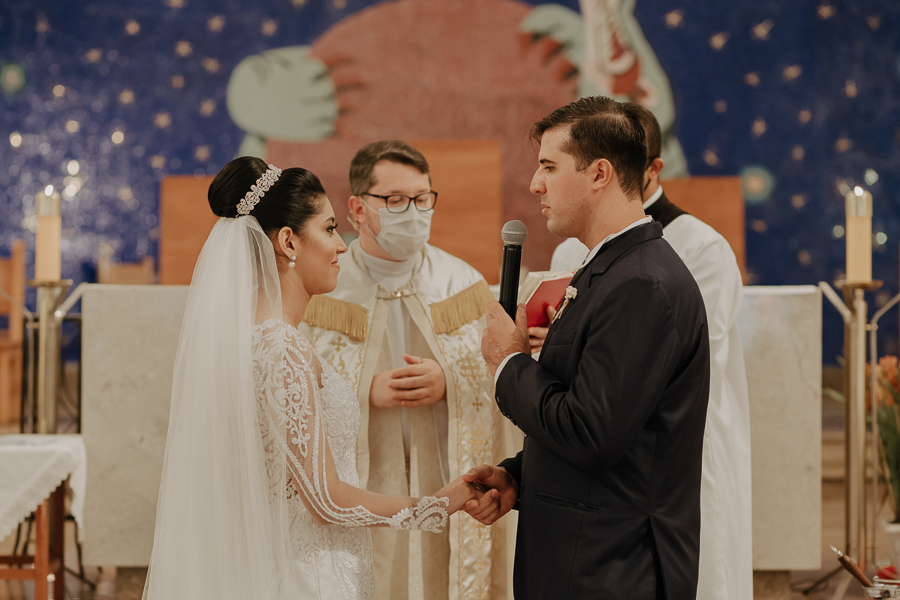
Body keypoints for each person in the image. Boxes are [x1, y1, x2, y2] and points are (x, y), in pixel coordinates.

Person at [143, 157, 479, 600]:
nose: (342, 246)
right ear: (288, 242)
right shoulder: (280, 350)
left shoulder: (259, 339)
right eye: (329, 229)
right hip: (307, 578)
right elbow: (325, 501)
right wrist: (435, 506)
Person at [462, 96, 711, 599]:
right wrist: (520, 476)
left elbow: (591, 432)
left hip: (614, 568)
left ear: (599, 173)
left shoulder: (643, 283)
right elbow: (608, 421)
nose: (536, 185)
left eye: (549, 167)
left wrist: (508, 363)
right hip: (585, 558)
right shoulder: (611, 269)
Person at [545, 104, 753, 599]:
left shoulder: (699, 246)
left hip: (671, 449)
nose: (538, 183)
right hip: (593, 447)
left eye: (549, 166)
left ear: (649, 167)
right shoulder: (570, 247)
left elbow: (693, 356)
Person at [298, 140, 510, 600]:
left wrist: (451, 380)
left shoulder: (461, 284)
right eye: (394, 200)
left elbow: (505, 377)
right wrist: (362, 390)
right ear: (357, 207)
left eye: (422, 198)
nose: (412, 212)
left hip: (443, 477)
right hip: (366, 485)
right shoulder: (324, 289)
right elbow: (289, 389)